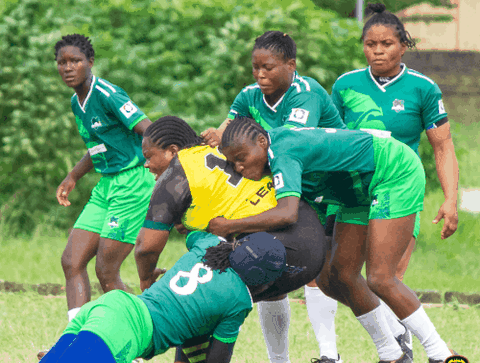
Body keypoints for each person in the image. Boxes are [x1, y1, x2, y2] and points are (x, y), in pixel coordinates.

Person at [208, 117, 458, 363]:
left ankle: (441, 354)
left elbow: (287, 212)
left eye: (241, 158)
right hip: (354, 191)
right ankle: (392, 354)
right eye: (233, 163)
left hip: (392, 170)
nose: (239, 167)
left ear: (262, 141)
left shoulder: (282, 153)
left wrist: (229, 226)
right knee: (336, 277)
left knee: (381, 278)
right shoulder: (273, 152)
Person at [316, 3, 460, 362]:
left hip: (396, 189)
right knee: (335, 276)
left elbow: (442, 147)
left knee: (387, 275)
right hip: (351, 191)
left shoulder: (422, 88)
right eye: (370, 44)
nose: (378, 51)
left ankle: (422, 349)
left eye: (387, 44)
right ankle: (395, 339)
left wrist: (450, 198)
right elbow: (330, 138)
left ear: (403, 46)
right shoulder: (345, 85)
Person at [134, 116, 328, 363]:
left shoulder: (178, 170)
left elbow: (146, 246)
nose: (147, 165)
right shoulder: (219, 148)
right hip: (308, 237)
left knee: (197, 303)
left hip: (277, 243)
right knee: (201, 306)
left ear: (173, 151)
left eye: (150, 156)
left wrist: (145, 277)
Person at [202, 30, 345, 363]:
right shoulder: (249, 96)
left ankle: (331, 354)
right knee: (270, 267)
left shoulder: (306, 93)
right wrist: (215, 134)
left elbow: (286, 144)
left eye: (267, 67)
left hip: (324, 188)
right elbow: (230, 132)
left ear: (290, 65)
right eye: (255, 68)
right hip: (283, 189)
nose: (260, 75)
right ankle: (279, 360)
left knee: (328, 274)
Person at [39, 231, 288, 363]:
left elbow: (192, 235)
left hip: (111, 305)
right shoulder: (239, 302)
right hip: (128, 330)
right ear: (264, 283)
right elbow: (217, 359)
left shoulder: (210, 245)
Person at [54, 34, 156, 323]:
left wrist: (168, 172)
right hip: (107, 185)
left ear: (90, 63)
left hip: (133, 183)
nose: (68, 67)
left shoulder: (108, 94)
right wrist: (73, 175)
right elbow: (97, 145)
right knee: (71, 261)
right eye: (62, 62)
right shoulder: (77, 102)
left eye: (75, 61)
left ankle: (135, 344)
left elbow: (149, 130)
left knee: (106, 270)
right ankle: (75, 340)